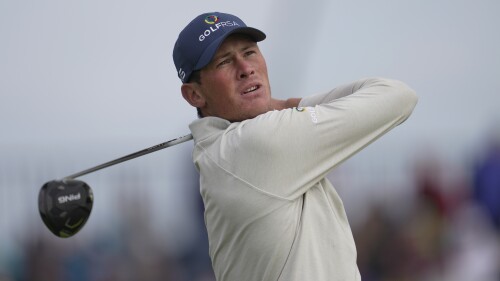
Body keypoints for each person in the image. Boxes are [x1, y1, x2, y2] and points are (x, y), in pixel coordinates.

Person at [172, 11, 418, 281]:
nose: (245, 69)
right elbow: (398, 96)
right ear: (194, 94)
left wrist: (281, 107)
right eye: (224, 62)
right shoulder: (257, 142)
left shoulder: (224, 151)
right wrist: (288, 104)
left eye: (250, 52)